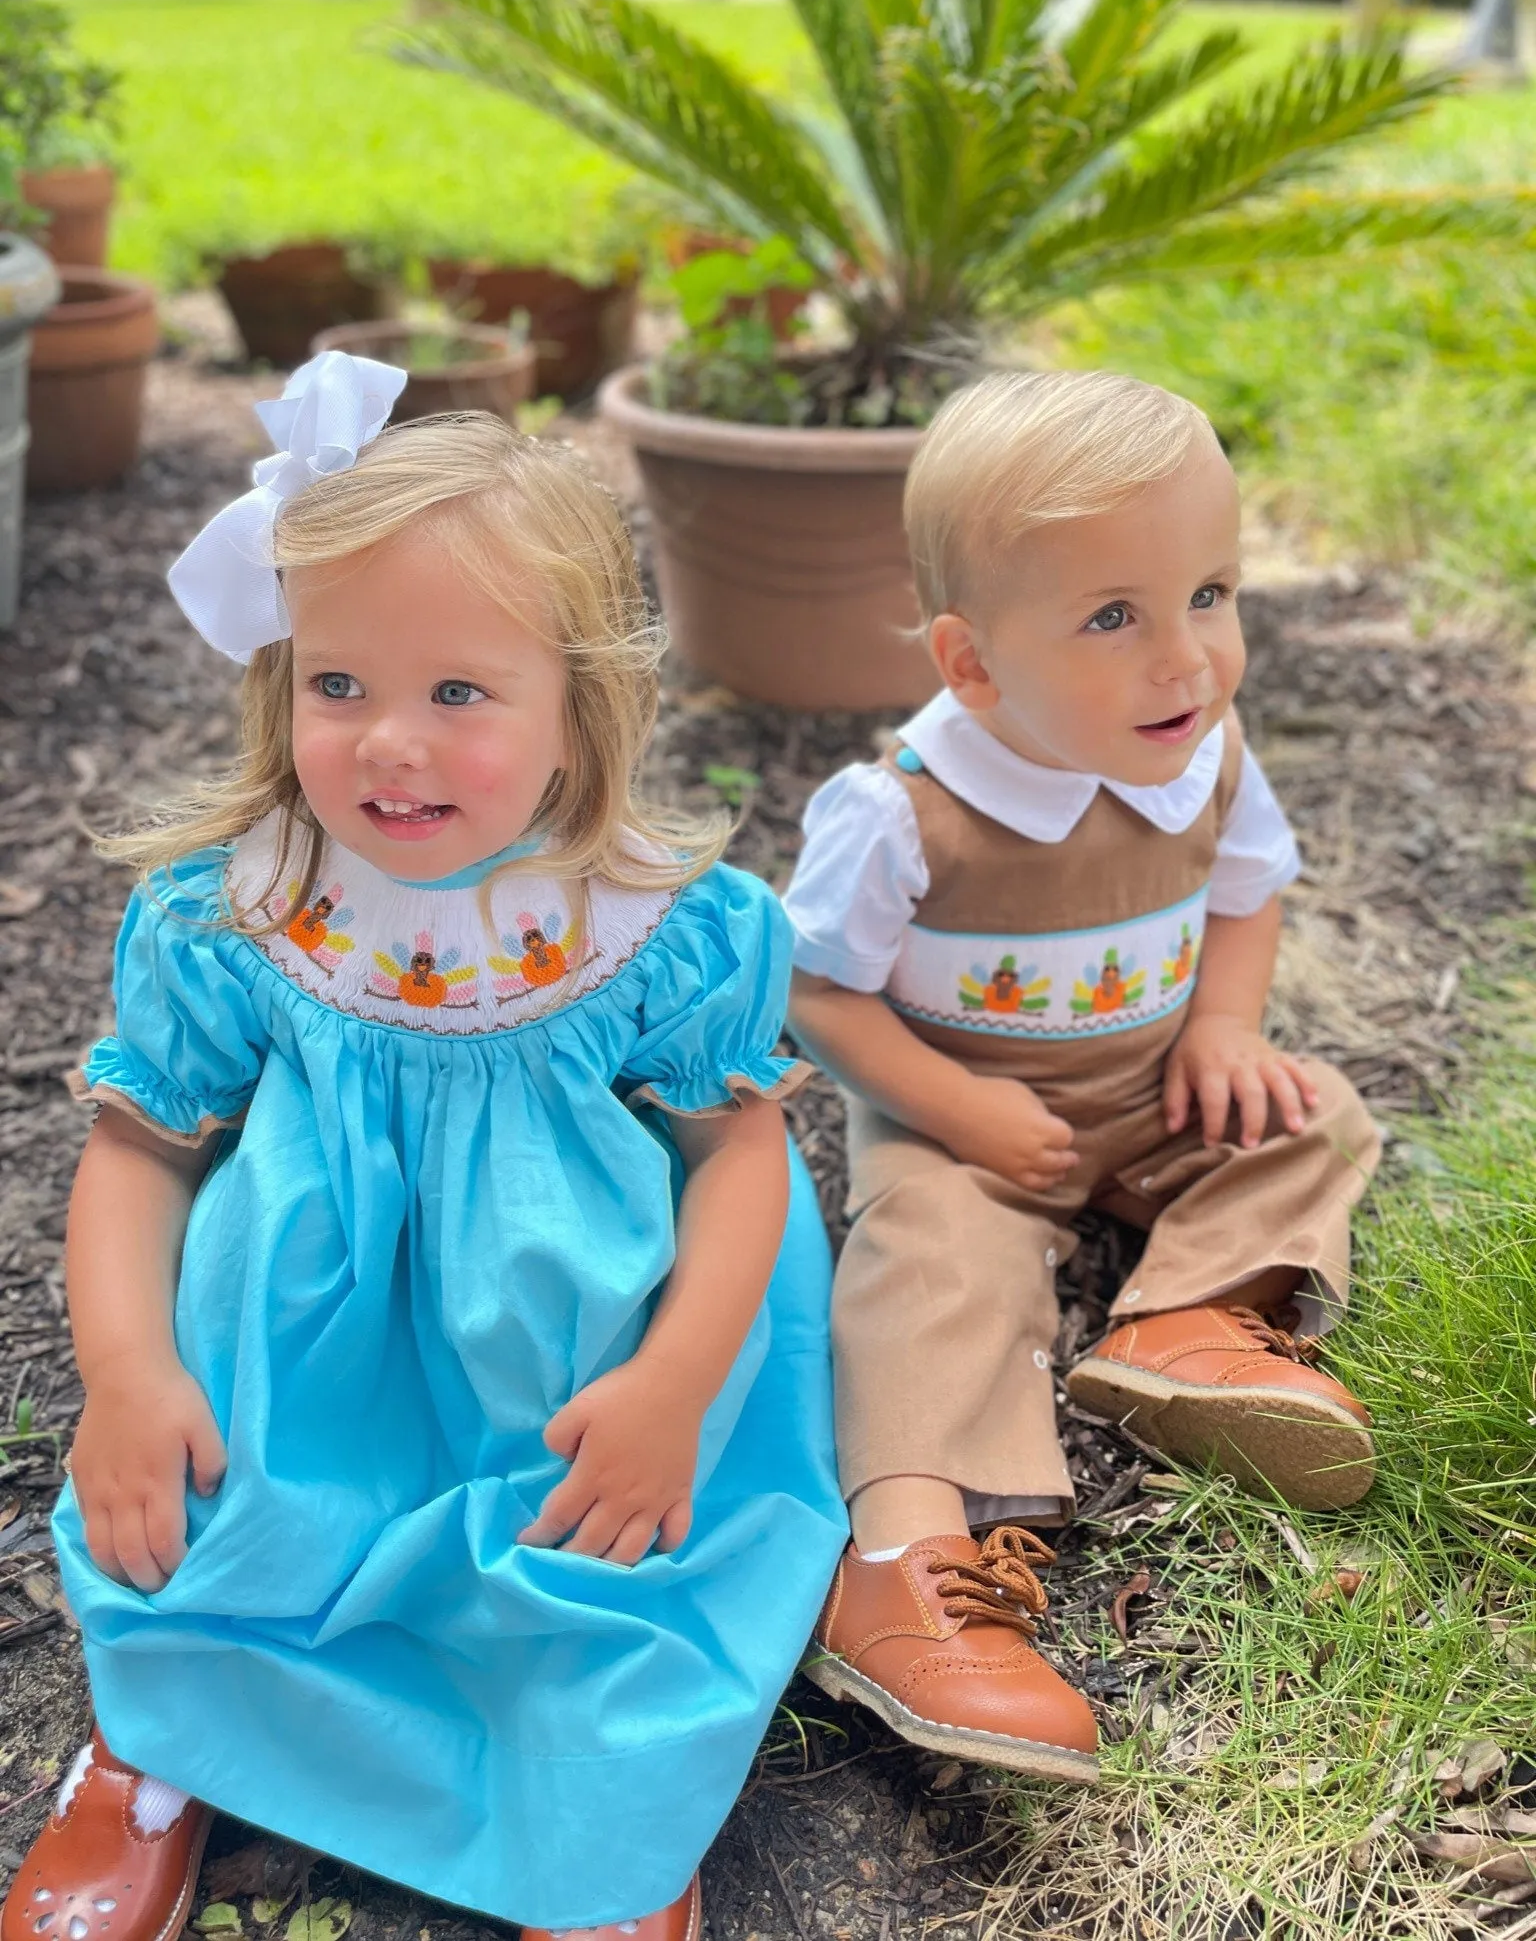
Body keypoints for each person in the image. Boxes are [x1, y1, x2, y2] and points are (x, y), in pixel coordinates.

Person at [4, 354, 845, 1941]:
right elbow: (142, 1154)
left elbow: (740, 1159)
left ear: (576, 704)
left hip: (570, 1359)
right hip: (311, 1362)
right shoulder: (237, 912)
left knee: (602, 1561)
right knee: (201, 1504)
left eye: (459, 694)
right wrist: (127, 1375)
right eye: (339, 686)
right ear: (282, 677)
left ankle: (603, 1817)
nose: (389, 741)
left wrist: (674, 1388)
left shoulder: (651, 927)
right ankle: (149, 1749)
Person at [784, 370, 1380, 1780]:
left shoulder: (1206, 754)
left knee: (1313, 1114)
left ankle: (1185, 1324)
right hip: (965, 1118)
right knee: (926, 1260)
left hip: (1156, 1089)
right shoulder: (903, 814)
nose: (1187, 660)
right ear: (973, 663)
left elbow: (1247, 894)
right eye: (1114, 617)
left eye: (1211, 594)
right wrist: (952, 1108)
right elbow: (815, 994)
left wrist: (1227, 1030)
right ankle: (904, 1559)